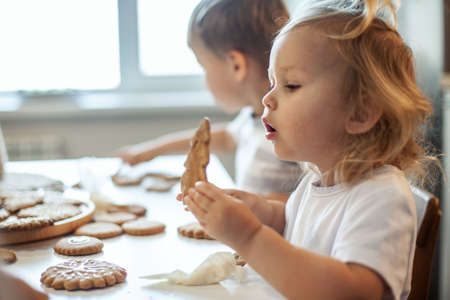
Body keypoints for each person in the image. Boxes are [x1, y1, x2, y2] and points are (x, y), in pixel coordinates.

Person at [180, 0, 439, 299]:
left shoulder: (382, 196)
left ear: (360, 113)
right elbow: (293, 223)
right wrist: (258, 210)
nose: (267, 99)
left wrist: (249, 236)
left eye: (290, 85)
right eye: (273, 83)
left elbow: (352, 292)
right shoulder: (317, 180)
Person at [114, 0, 302, 201]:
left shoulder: (291, 126)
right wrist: (153, 150)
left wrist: (236, 204)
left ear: (236, 66)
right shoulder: (253, 117)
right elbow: (215, 138)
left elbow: (306, 203)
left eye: (204, 66)